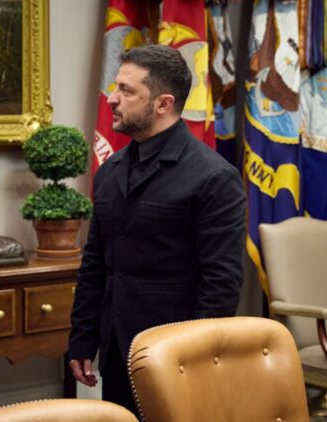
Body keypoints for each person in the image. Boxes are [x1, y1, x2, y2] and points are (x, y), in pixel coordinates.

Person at [68, 44, 246, 415]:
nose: (112, 99)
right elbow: (96, 263)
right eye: (115, 87)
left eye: (126, 90)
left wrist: (191, 358)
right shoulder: (111, 170)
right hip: (116, 351)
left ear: (163, 103)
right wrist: (83, 338)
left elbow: (220, 285)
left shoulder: (214, 177)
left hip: (175, 356)